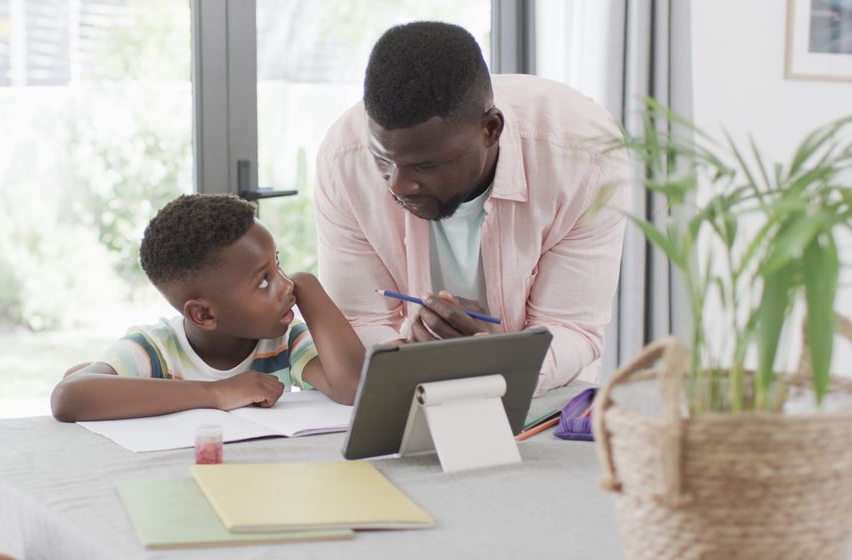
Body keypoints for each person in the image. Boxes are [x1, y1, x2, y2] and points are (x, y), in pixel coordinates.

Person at [314, 21, 629, 395]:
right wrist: (412, 355)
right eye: (384, 160)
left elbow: (571, 328)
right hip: (409, 395)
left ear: (491, 129)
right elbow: (358, 322)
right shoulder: (344, 161)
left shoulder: (584, 158)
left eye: (426, 166)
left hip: (540, 397)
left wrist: (494, 359)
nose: (397, 186)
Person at [51, 194, 366, 422]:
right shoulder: (155, 349)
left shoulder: (285, 341)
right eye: (263, 280)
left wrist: (309, 285)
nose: (286, 285)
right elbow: (69, 396)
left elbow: (354, 389)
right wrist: (217, 393)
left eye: (278, 264)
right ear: (204, 314)